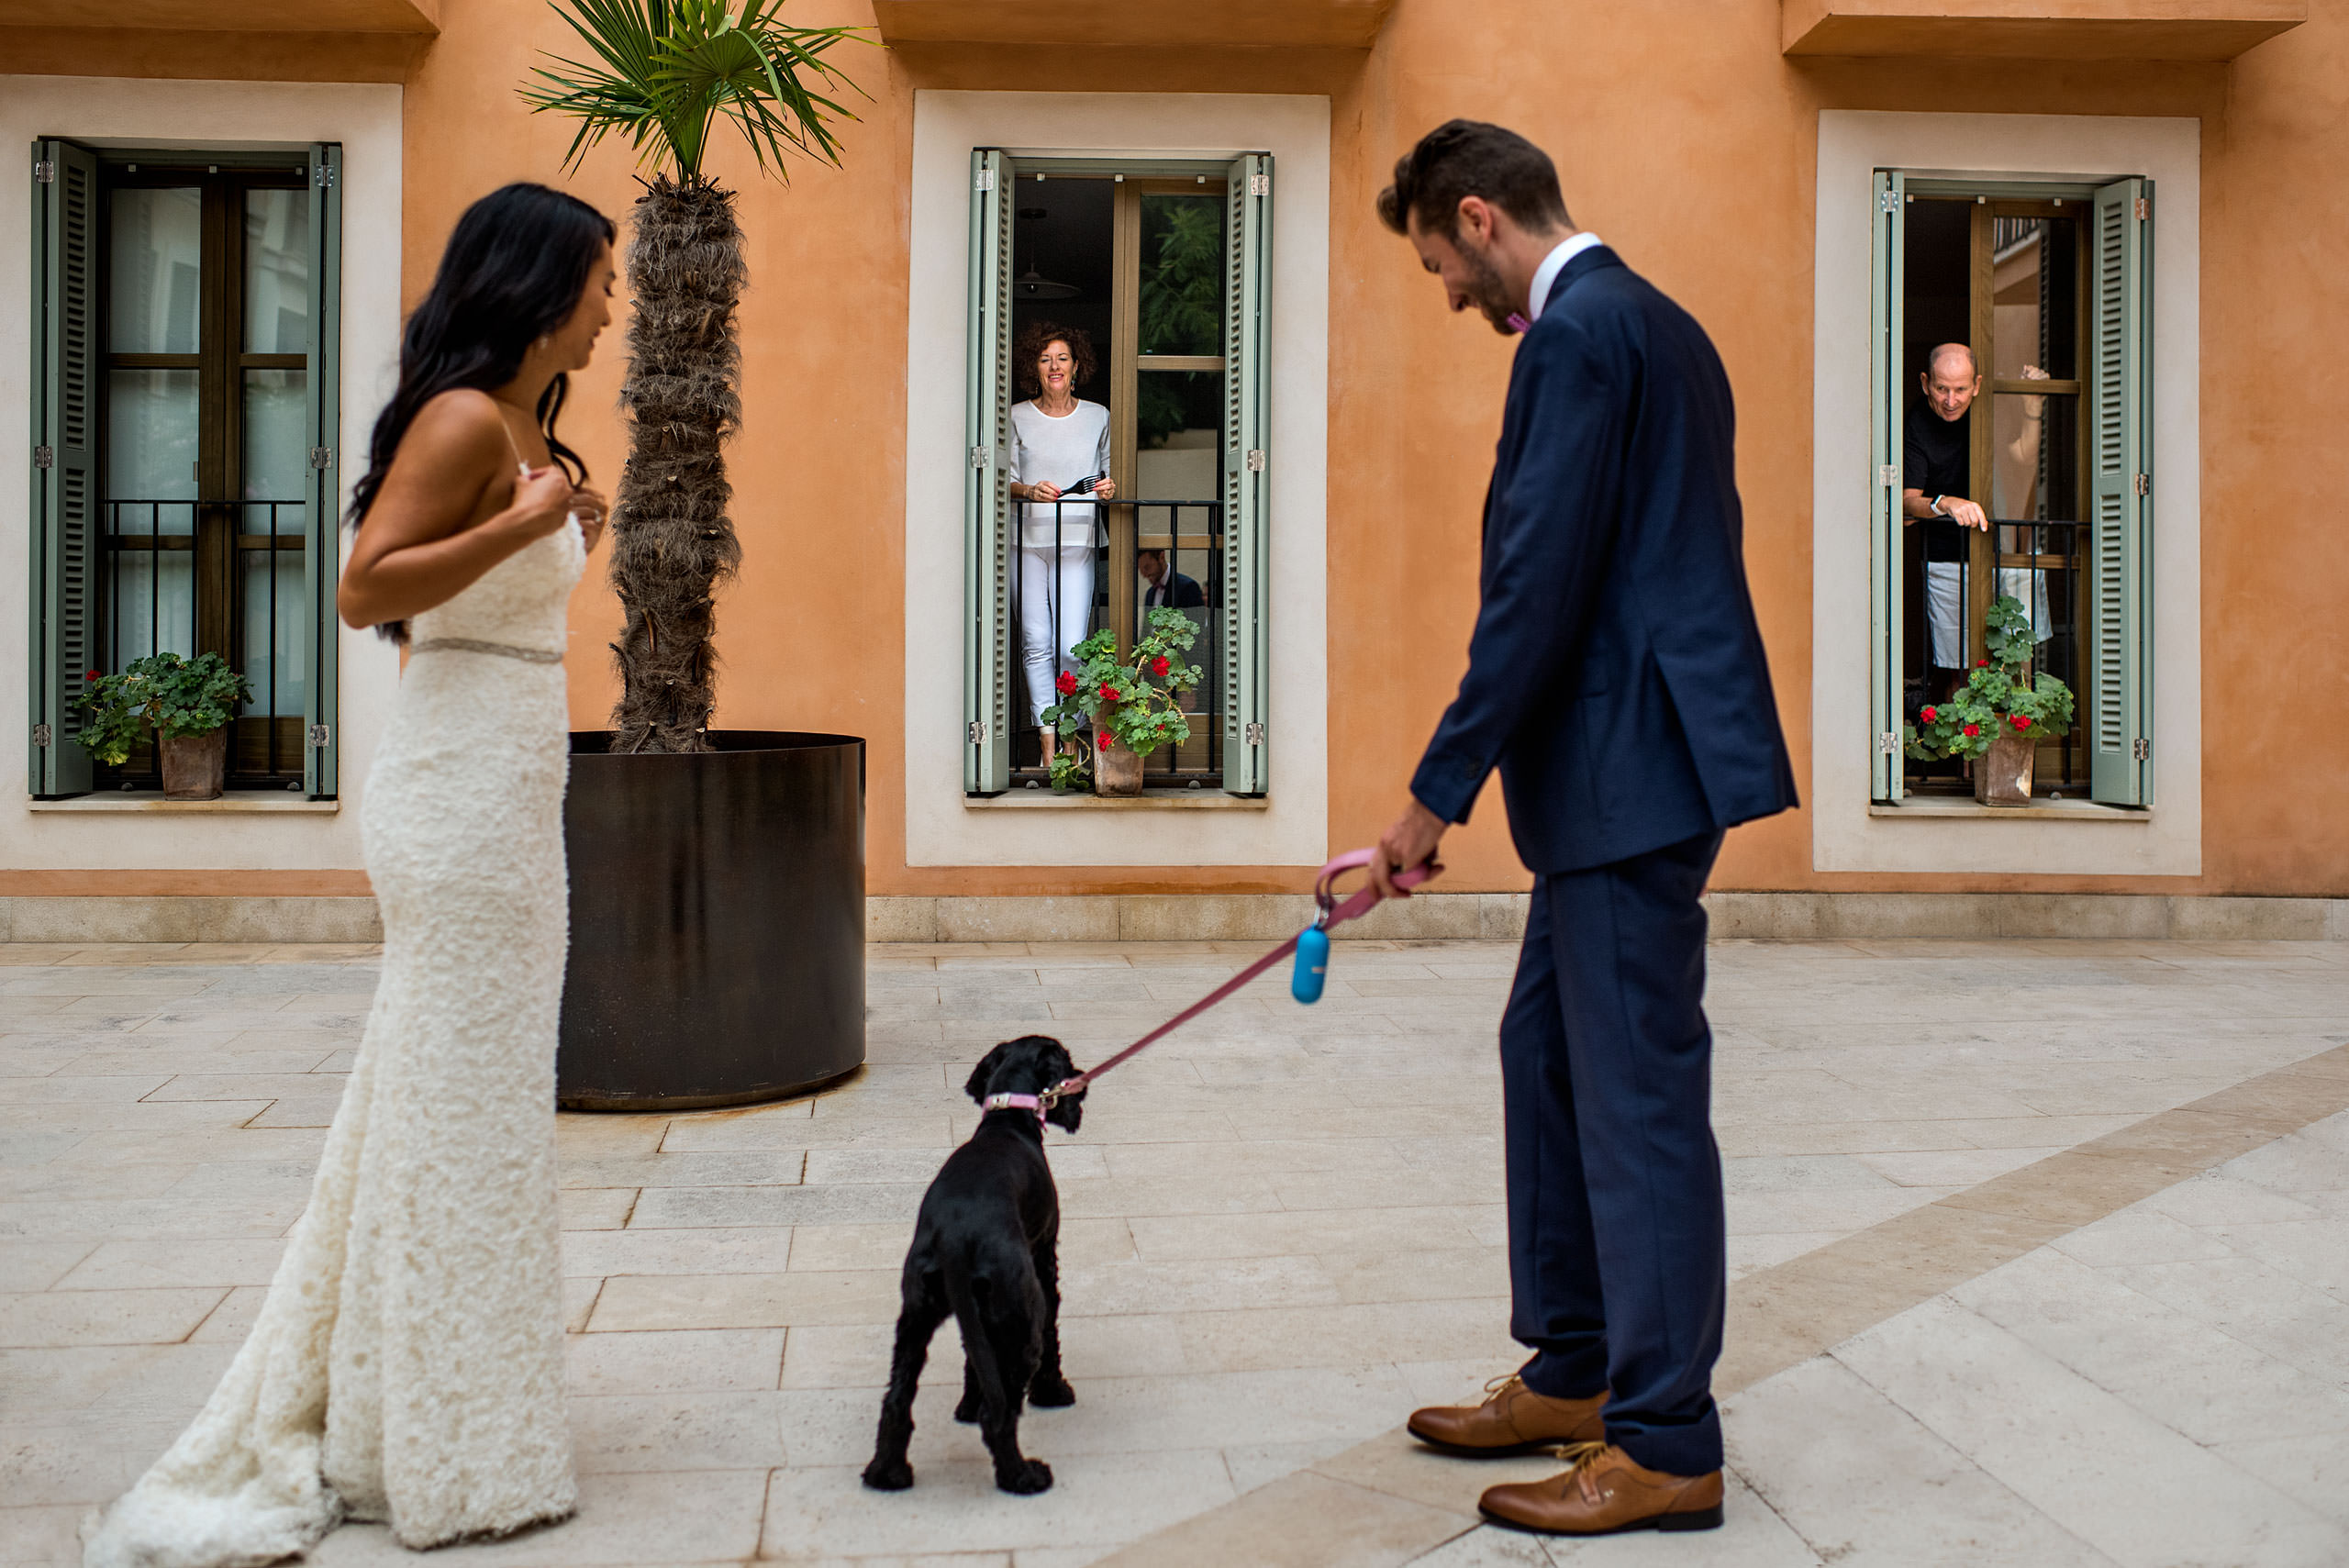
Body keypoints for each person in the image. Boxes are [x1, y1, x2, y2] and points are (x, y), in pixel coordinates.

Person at [82, 184, 613, 1567]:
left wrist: (558, 520)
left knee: (462, 1113)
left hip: (510, 788)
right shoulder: (461, 419)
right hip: (455, 801)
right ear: (545, 288)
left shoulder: (532, 429)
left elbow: (485, 573)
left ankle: (412, 1413)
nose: (615, 306)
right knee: (456, 1115)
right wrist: (521, 525)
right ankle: (440, 1442)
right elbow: (366, 587)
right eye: (603, 282)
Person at [1364, 120, 1797, 1537]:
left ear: (1480, 220)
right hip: (1638, 767)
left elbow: (1536, 589)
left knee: (1637, 1110)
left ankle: (1664, 1439)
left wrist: (1432, 799)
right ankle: (1578, 1365)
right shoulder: (1660, 324)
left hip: (1625, 774)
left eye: (1440, 264)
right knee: (1546, 1050)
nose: (1449, 298)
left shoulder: (1574, 338)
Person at [1903, 343, 2050, 687]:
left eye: (1961, 390)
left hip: (2010, 549)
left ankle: (2014, 742)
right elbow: (1908, 504)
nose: (1951, 401)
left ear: (1978, 385)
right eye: (1941, 389)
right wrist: (1945, 503)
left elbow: (2024, 458)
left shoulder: (1994, 408)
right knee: (1960, 669)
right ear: (1925, 383)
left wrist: (2033, 407)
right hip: (1947, 557)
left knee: (2018, 662)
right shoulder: (1915, 422)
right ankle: (1965, 742)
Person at [1007, 322, 1114, 762]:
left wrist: (1108, 488)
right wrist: (1029, 491)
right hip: (1027, 541)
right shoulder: (1016, 416)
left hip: (1077, 539)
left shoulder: (1098, 416)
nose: (1054, 365)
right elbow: (1006, 479)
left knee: (1072, 646)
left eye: (1062, 358)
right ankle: (1049, 747)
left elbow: (1108, 473)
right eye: (1045, 358)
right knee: (1036, 643)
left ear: (1076, 367)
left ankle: (1071, 735)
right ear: (1035, 366)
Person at [1137, 546, 1203, 610]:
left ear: (1161, 557)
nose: (1144, 575)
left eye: (1147, 567)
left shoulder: (1189, 588)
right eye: (1141, 570)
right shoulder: (1150, 593)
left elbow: (1197, 620)